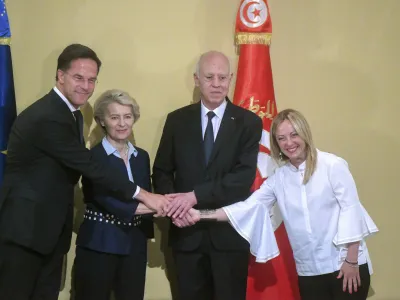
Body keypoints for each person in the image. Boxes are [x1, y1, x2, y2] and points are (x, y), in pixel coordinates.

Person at [0, 44, 168, 300]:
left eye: (91, 80)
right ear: (60, 75)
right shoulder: (48, 115)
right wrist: (146, 195)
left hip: (48, 233)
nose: (85, 86)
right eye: (78, 77)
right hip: (25, 233)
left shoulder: (73, 115)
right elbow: (89, 166)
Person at [176, 109, 379, 300]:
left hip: (345, 265)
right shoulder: (278, 178)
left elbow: (351, 211)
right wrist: (199, 215)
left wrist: (351, 261)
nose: (288, 143)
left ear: (305, 133)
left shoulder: (332, 165)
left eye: (293, 135)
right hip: (309, 271)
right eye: (281, 138)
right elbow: (246, 208)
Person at [152, 51, 263, 300]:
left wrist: (193, 197)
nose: (216, 84)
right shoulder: (176, 121)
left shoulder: (249, 123)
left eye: (222, 77)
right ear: (197, 79)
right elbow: (161, 171)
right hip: (185, 236)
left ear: (231, 78)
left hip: (229, 239)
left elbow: (242, 179)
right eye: (209, 77)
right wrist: (174, 209)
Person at [73, 89, 154, 300]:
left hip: (134, 246)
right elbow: (109, 202)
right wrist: (163, 205)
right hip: (100, 245)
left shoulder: (141, 157)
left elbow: (148, 194)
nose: (122, 123)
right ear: (102, 121)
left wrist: (163, 204)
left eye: (127, 117)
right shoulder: (92, 158)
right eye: (114, 117)